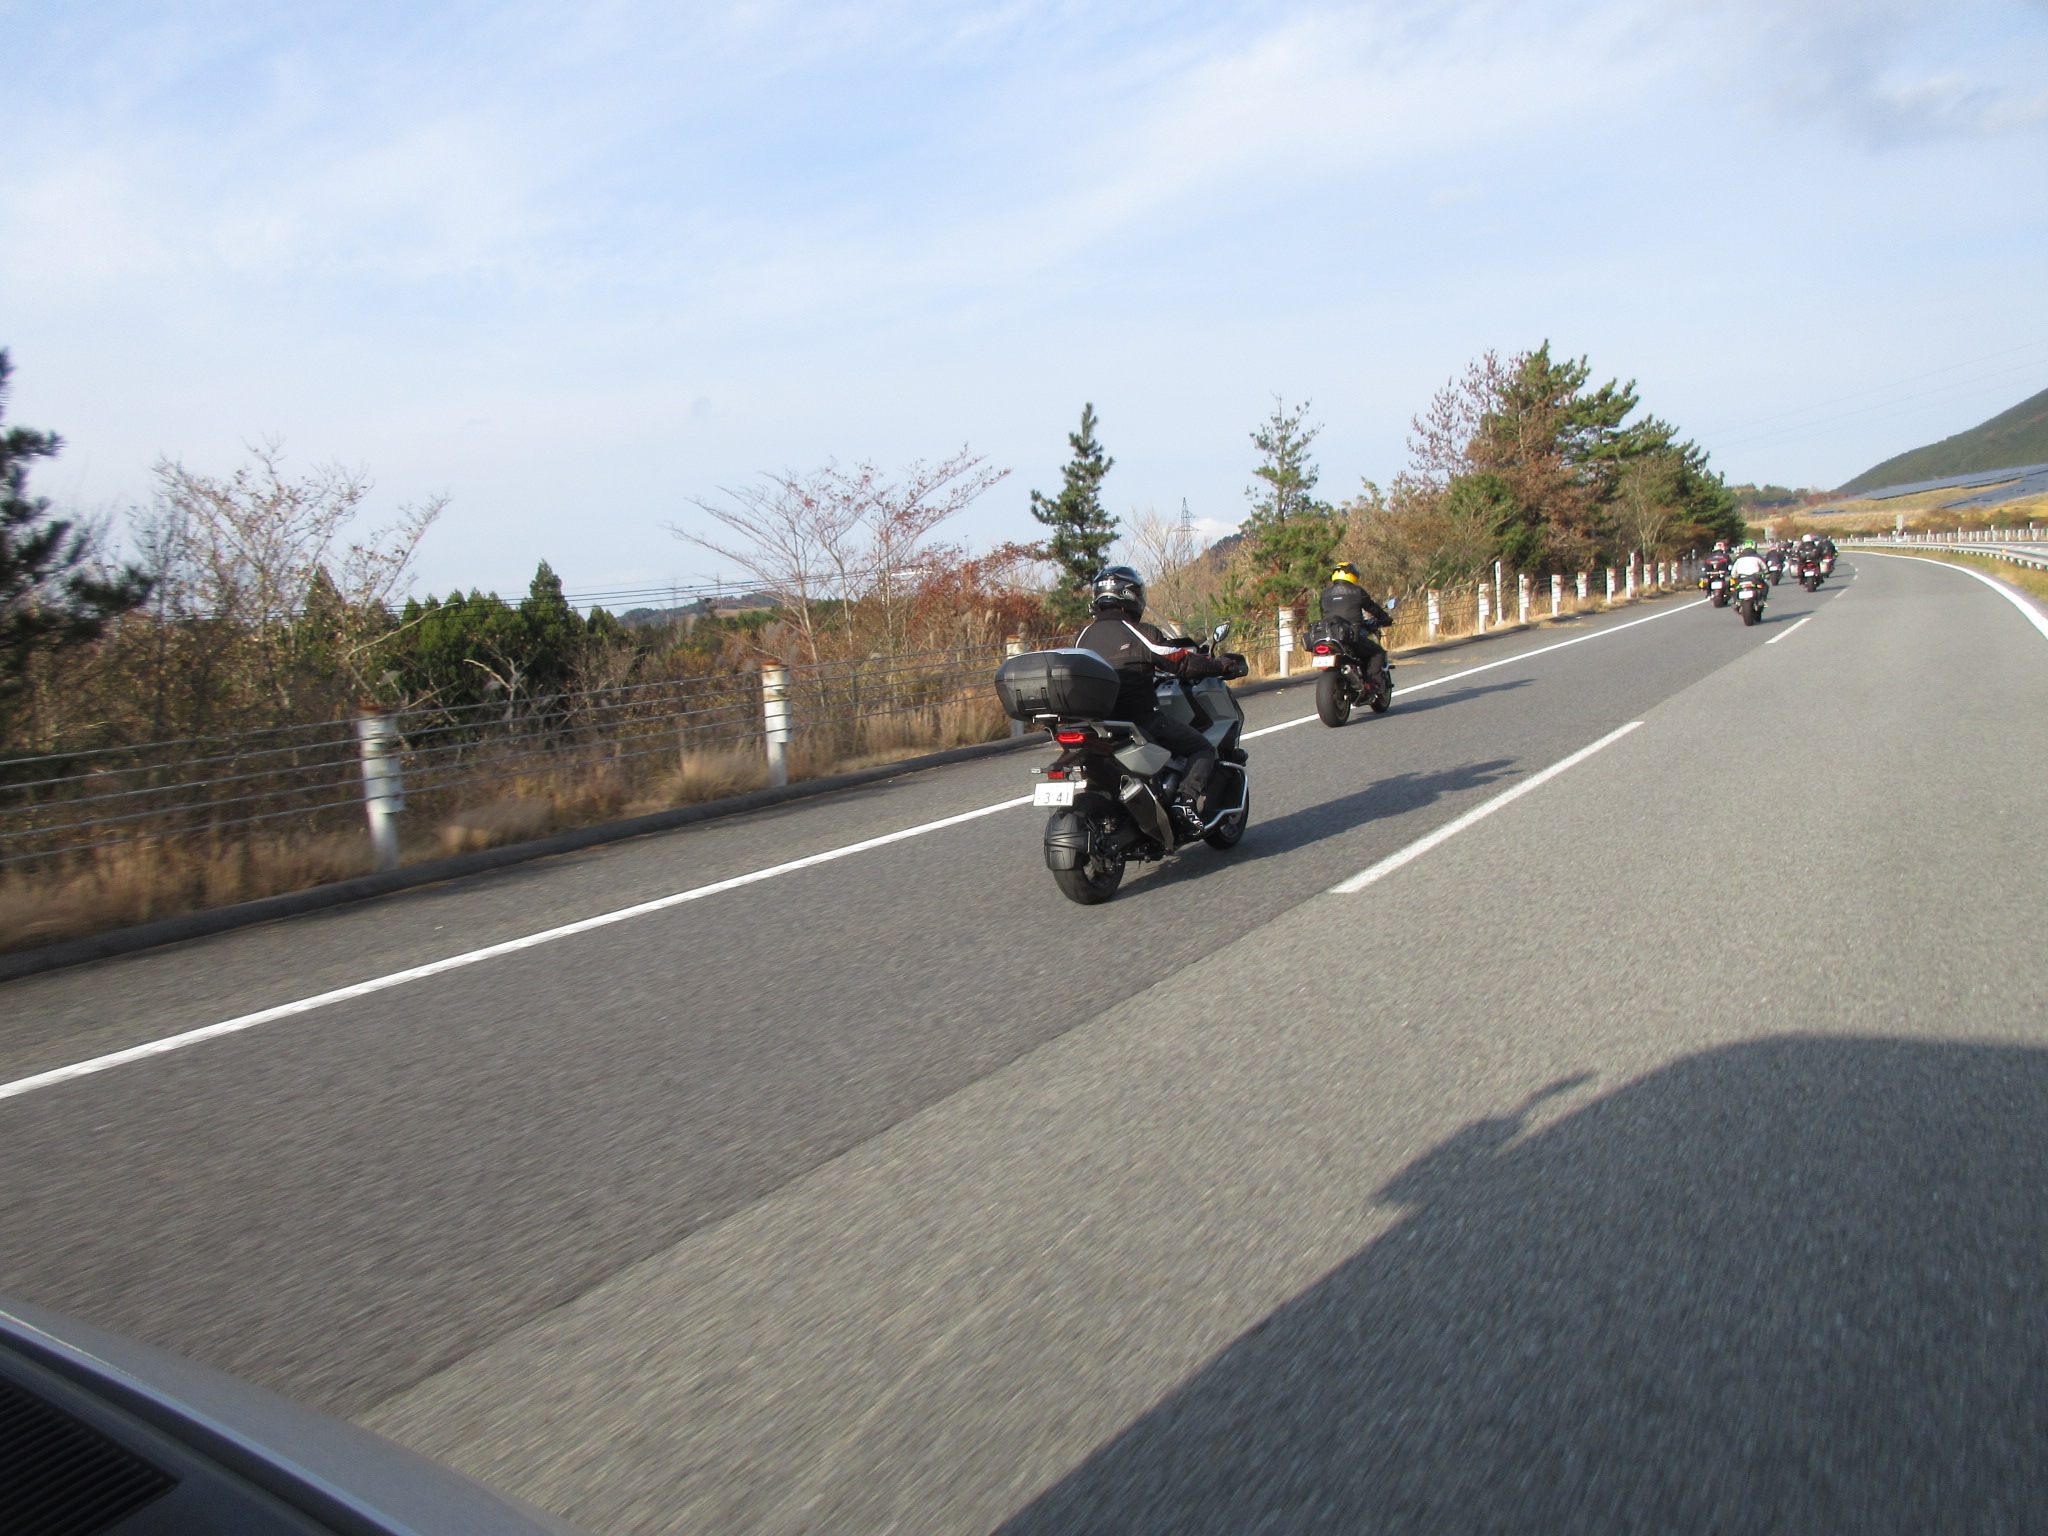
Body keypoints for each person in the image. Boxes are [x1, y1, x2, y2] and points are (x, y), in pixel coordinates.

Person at [1073, 565, 1227, 827]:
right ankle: (1185, 802)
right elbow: (1180, 662)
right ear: (1130, 595)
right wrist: (1220, 665)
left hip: (1095, 726)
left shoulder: (1082, 636)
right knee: (1202, 748)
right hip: (1139, 721)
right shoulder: (1139, 632)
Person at [1317, 562, 1394, 689]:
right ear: (1352, 575)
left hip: (1329, 637)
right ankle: (1372, 683)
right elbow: (1373, 608)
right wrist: (1385, 618)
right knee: (1378, 652)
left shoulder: (1325, 593)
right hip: (1351, 637)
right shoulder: (1357, 591)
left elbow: (1324, 614)